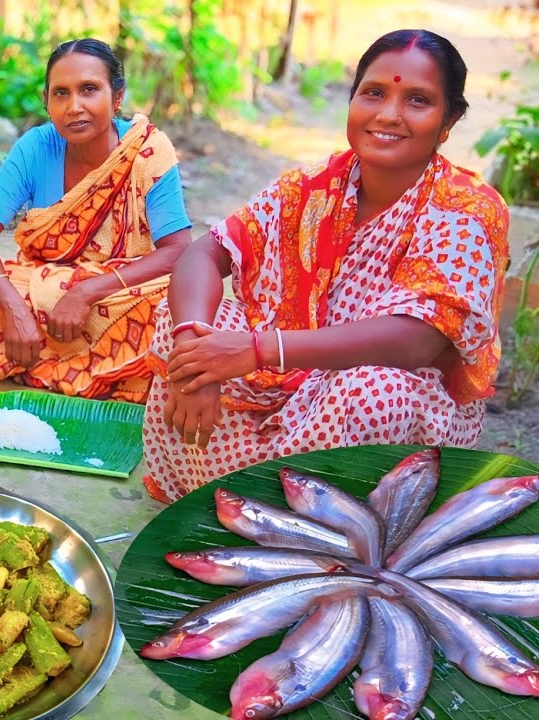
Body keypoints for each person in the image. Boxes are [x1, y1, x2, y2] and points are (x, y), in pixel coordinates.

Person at [143, 29, 510, 503]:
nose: (388, 114)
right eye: (374, 93)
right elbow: (205, 253)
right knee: (179, 319)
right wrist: (196, 353)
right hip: (286, 379)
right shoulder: (313, 186)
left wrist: (256, 349)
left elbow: (417, 340)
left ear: (449, 121)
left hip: (390, 398)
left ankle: (329, 522)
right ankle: (225, 498)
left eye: (417, 100)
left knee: (374, 389)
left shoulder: (467, 209)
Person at [0, 38, 192, 402]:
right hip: (38, 290)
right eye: (61, 93)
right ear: (47, 101)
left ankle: (31, 357)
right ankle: (91, 364)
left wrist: (86, 291)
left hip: (116, 294)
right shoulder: (35, 147)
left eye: (89, 90)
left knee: (171, 305)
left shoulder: (148, 150)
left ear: (117, 97)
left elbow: (177, 252)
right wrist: (13, 308)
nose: (74, 106)